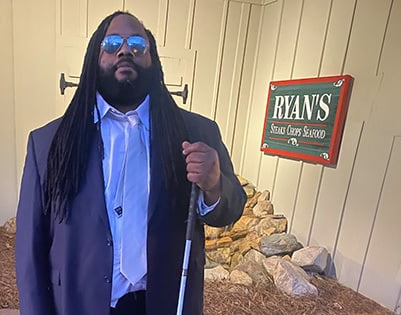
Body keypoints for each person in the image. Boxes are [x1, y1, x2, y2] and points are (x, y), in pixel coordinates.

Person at [15, 11, 246, 315]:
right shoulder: (49, 144)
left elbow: (231, 208)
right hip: (80, 304)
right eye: (111, 44)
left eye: (138, 44)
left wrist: (214, 186)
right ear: (93, 58)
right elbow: (30, 250)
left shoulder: (196, 134)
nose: (125, 51)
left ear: (154, 59)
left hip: (165, 304)